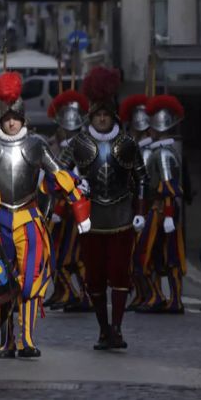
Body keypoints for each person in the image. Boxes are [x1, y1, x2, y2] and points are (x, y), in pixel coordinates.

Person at [0, 72, 90, 358]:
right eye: (7, 117)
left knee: (30, 281)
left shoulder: (36, 144)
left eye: (16, 116)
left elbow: (60, 175)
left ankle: (26, 338)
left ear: (23, 117)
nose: (12, 121)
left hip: (29, 219)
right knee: (2, 281)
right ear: (0, 119)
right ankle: (7, 340)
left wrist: (79, 207)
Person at [63, 66, 147, 349]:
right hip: (90, 219)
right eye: (97, 114)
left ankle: (118, 328)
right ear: (91, 116)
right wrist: (75, 184)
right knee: (94, 278)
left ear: (112, 115)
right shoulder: (78, 143)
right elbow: (59, 173)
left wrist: (140, 212)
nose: (101, 118)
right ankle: (102, 329)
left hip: (122, 218)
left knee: (120, 275)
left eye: (105, 114)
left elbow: (141, 178)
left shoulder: (127, 143)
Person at [44, 88, 92, 312]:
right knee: (61, 253)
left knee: (74, 256)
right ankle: (68, 293)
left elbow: (69, 174)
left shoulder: (81, 144)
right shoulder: (66, 144)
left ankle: (84, 295)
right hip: (64, 206)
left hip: (78, 207)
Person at [137, 94, 186, 313]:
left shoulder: (163, 153)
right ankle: (159, 297)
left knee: (167, 254)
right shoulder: (162, 150)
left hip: (163, 210)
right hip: (158, 208)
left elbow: (168, 187)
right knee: (157, 254)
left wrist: (167, 215)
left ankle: (172, 299)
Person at [118, 93, 162, 312]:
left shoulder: (146, 152)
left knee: (145, 255)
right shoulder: (135, 147)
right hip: (133, 205)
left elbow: (142, 183)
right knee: (132, 256)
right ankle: (142, 293)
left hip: (146, 208)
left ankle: (153, 294)